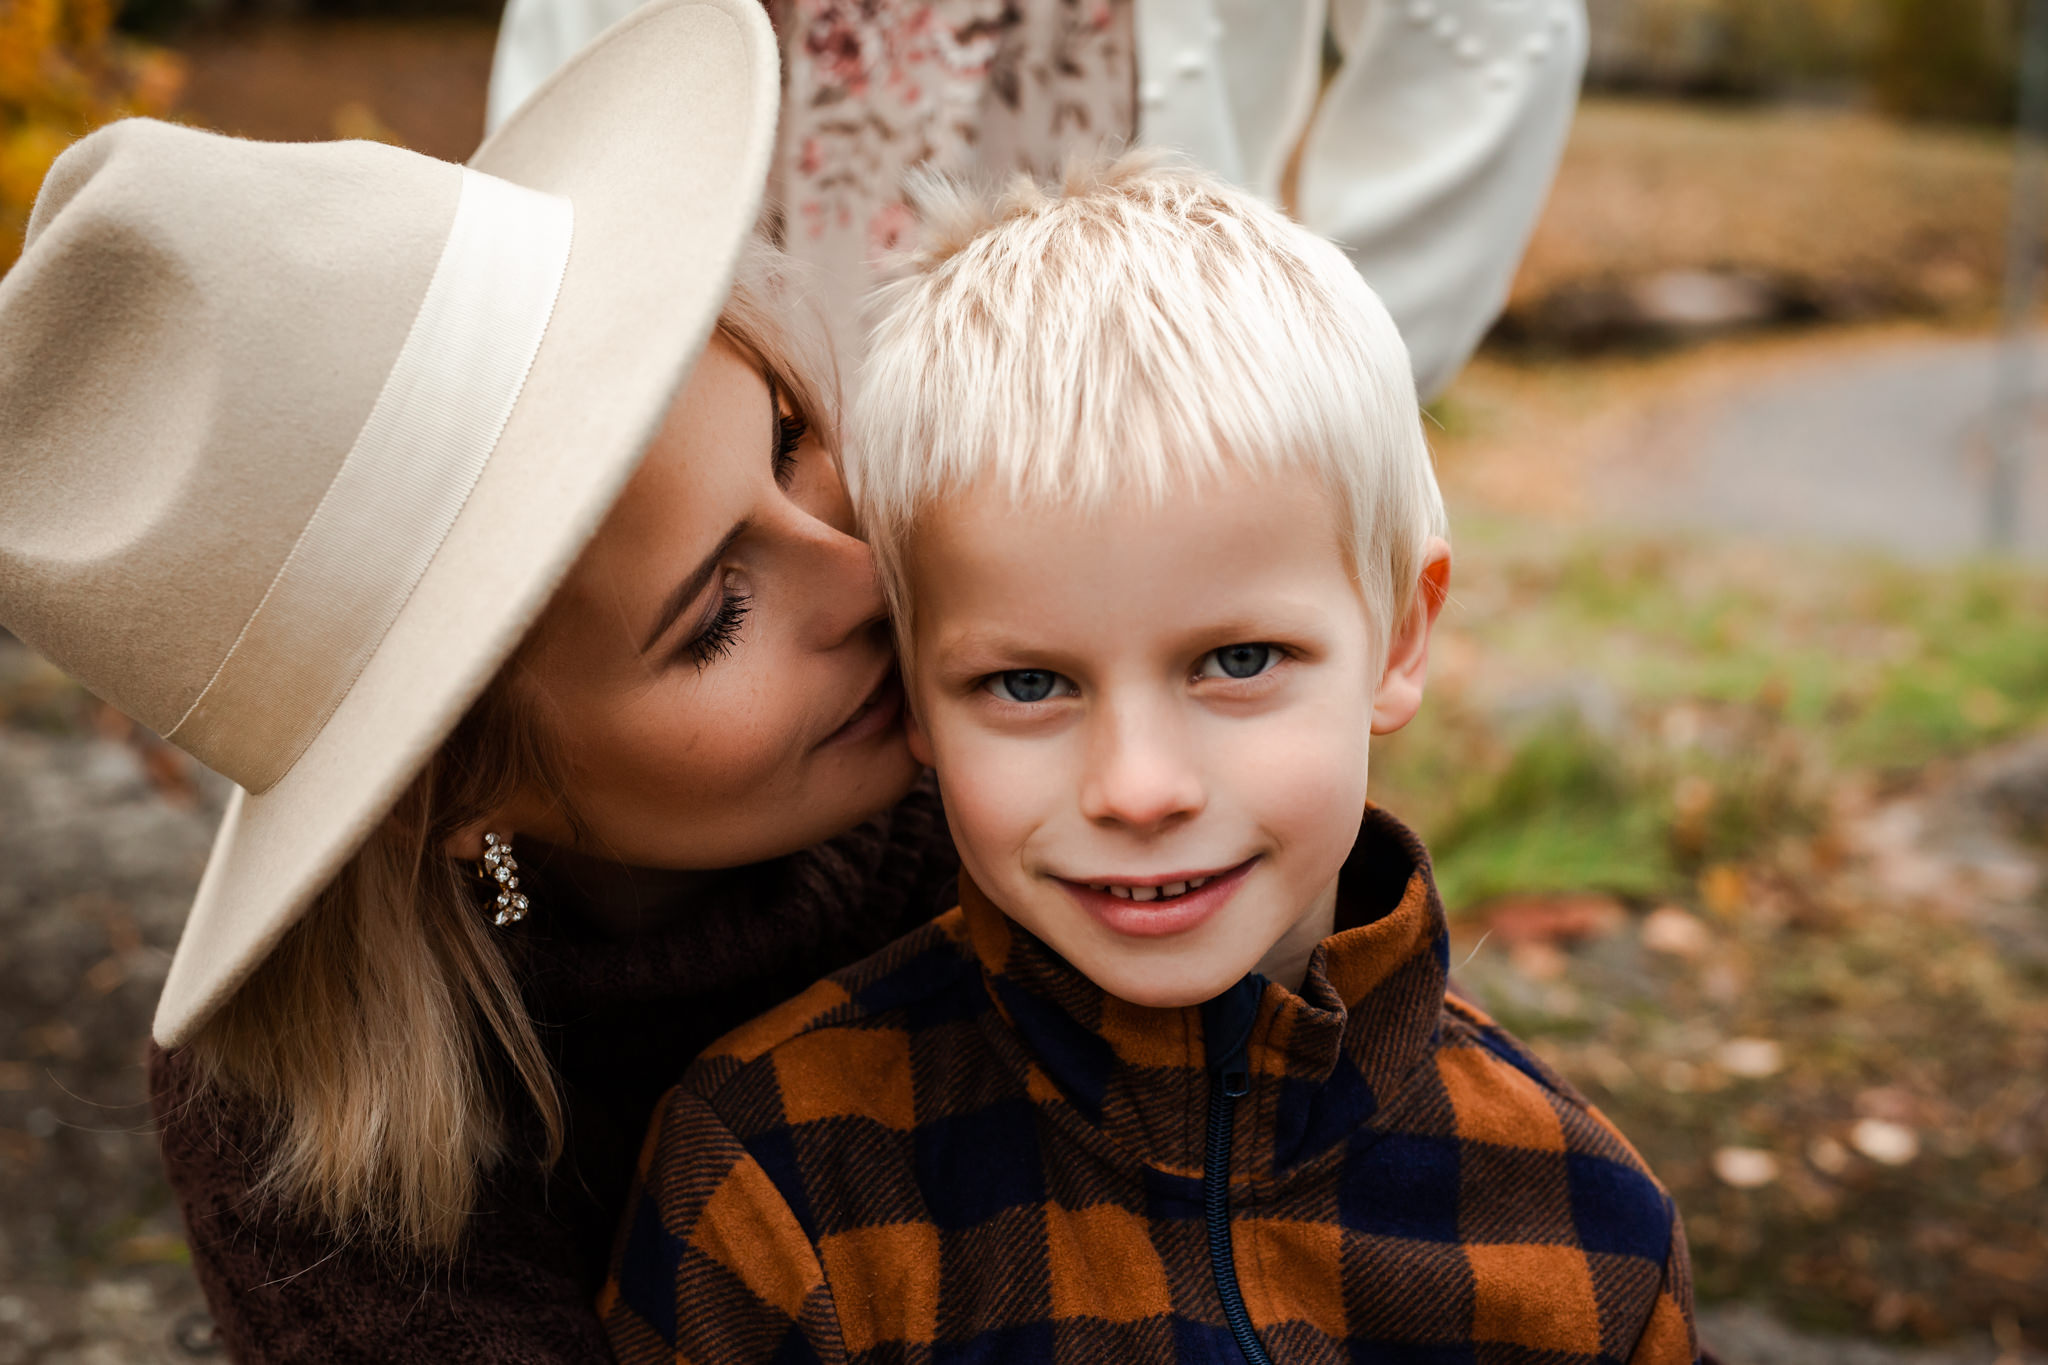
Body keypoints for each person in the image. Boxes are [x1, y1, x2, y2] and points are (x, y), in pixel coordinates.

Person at [601, 155, 1699, 1363]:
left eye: (1236, 662)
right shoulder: (777, 1180)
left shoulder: (1580, 1221)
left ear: (1397, 638)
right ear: (911, 690)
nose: (1136, 789)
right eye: (1027, 684)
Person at [0, 2, 961, 1359]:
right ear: (453, 788)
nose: (871, 579)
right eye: (713, 616)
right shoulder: (315, 1141)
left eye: (792, 438)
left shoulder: (1059, 792)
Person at [487, 0, 1589, 399]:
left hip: (1129, 401)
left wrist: (1311, 380)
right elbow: (588, 73)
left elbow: (1491, 34)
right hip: (722, 384)